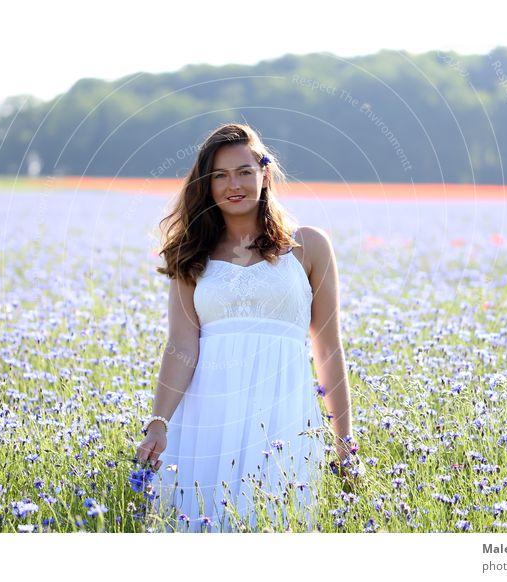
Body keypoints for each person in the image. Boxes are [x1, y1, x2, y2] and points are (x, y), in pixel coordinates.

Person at [134, 123, 354, 532]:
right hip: (205, 417)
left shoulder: (308, 246)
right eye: (219, 175)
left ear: (265, 175)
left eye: (243, 172)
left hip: (284, 418)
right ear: (206, 183)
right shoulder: (191, 254)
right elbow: (182, 345)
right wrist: (159, 423)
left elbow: (328, 348)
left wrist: (345, 441)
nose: (232, 185)